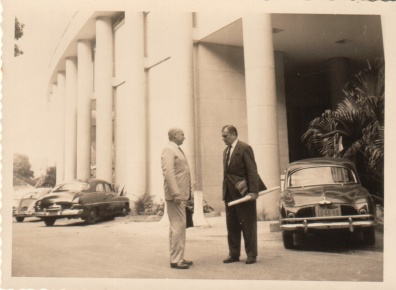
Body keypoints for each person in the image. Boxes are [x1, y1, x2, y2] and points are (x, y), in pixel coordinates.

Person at [221, 125, 263, 265]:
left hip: (244, 193)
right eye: (222, 136)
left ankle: (251, 255)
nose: (223, 139)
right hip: (229, 194)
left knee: (248, 224)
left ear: (233, 134)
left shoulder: (244, 148)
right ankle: (233, 254)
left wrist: (254, 191)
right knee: (231, 225)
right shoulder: (225, 151)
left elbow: (252, 171)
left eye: (225, 136)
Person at [161, 128, 193, 270]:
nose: (184, 137)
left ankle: (178, 257)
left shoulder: (176, 149)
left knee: (178, 227)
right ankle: (176, 260)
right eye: (182, 135)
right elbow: (168, 172)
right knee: (177, 227)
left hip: (180, 195)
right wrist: (175, 193)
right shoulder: (169, 149)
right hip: (176, 197)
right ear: (174, 136)